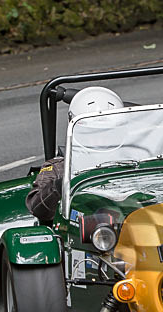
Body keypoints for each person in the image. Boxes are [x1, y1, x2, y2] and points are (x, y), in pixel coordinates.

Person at [26, 86, 124, 221]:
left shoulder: (136, 159)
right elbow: (38, 209)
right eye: (92, 133)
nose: (100, 139)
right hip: (87, 233)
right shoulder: (59, 168)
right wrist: (58, 186)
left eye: (107, 132)